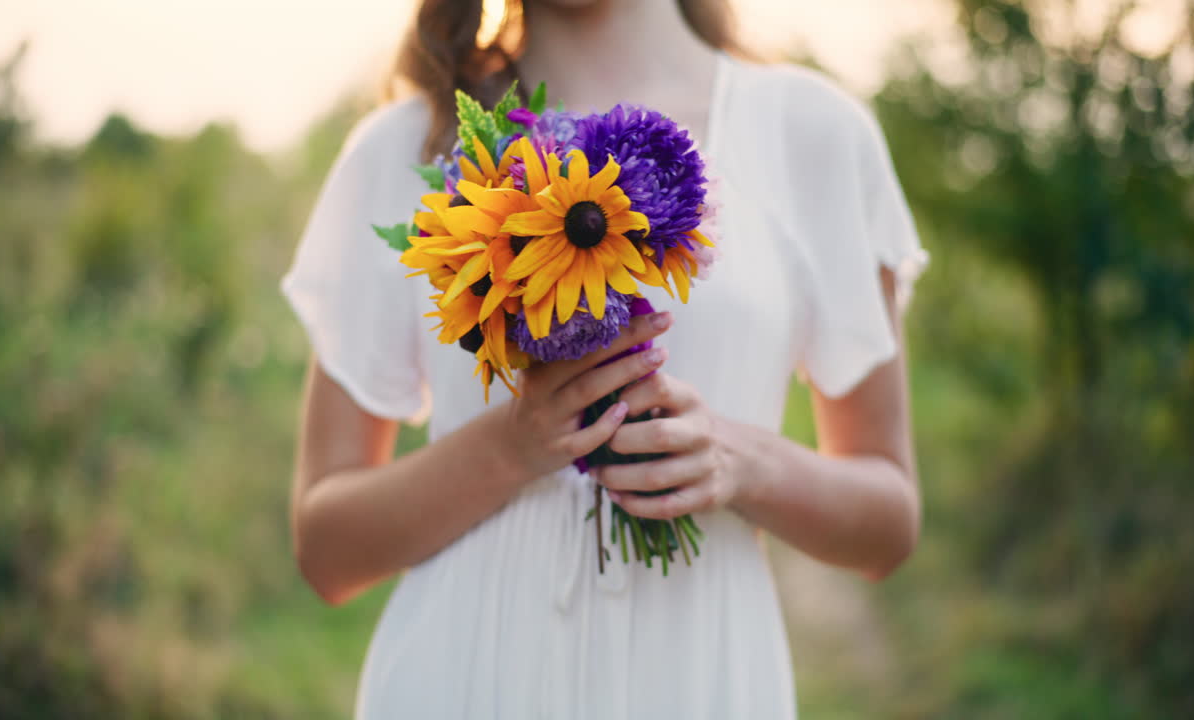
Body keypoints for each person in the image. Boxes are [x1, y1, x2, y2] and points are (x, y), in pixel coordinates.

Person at [279, 0, 928, 717]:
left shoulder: (815, 135)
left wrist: (739, 461)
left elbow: (887, 525)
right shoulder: (406, 145)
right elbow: (328, 551)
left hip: (696, 681)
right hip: (466, 678)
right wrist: (512, 446)